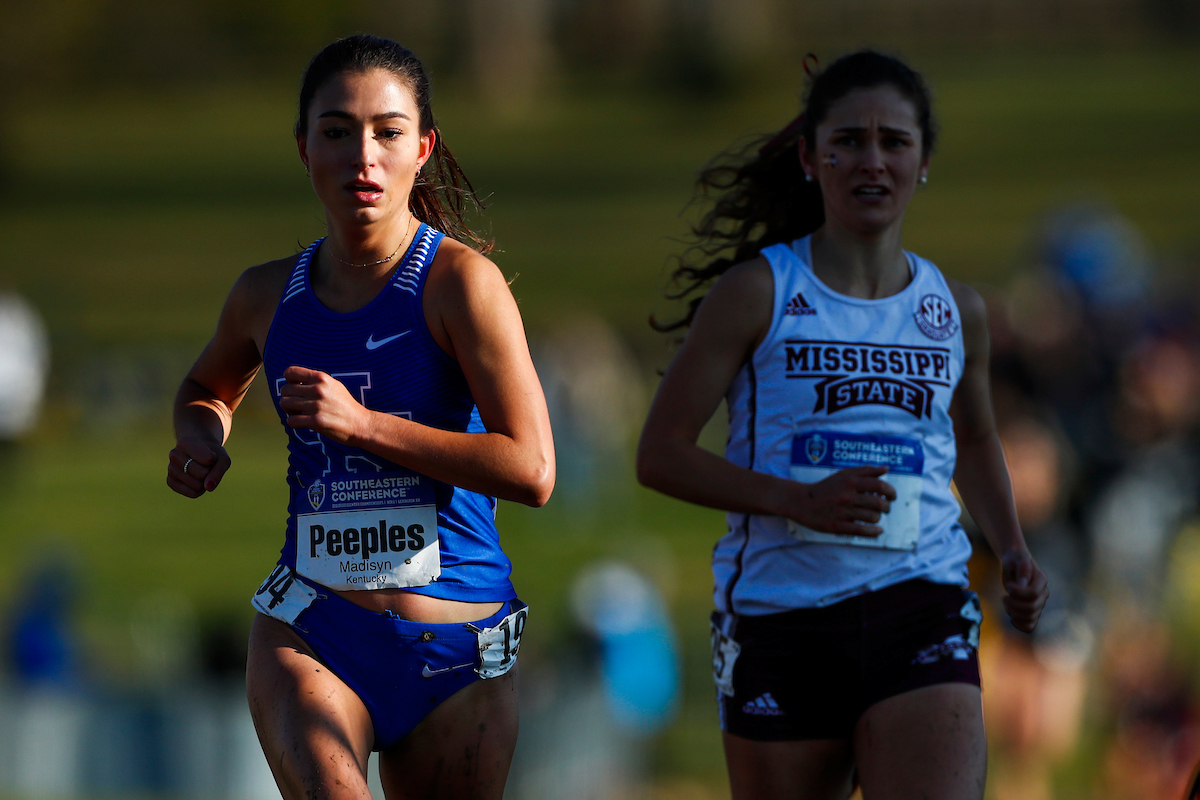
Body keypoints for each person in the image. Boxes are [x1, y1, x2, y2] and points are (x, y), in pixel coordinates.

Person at [637, 50, 1048, 799]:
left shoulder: (956, 311)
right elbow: (659, 454)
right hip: (781, 617)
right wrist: (795, 501)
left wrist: (1013, 549)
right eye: (849, 140)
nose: (873, 161)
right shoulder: (756, 292)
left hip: (920, 604)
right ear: (808, 155)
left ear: (924, 161)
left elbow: (978, 439)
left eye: (895, 142)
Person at [166, 35, 554, 800]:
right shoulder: (265, 295)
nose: (363, 155)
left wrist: (364, 424)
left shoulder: (461, 286)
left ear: (424, 148)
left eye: (388, 131)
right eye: (337, 131)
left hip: (457, 650)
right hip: (313, 632)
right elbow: (206, 387)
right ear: (304, 147)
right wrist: (200, 436)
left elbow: (533, 469)